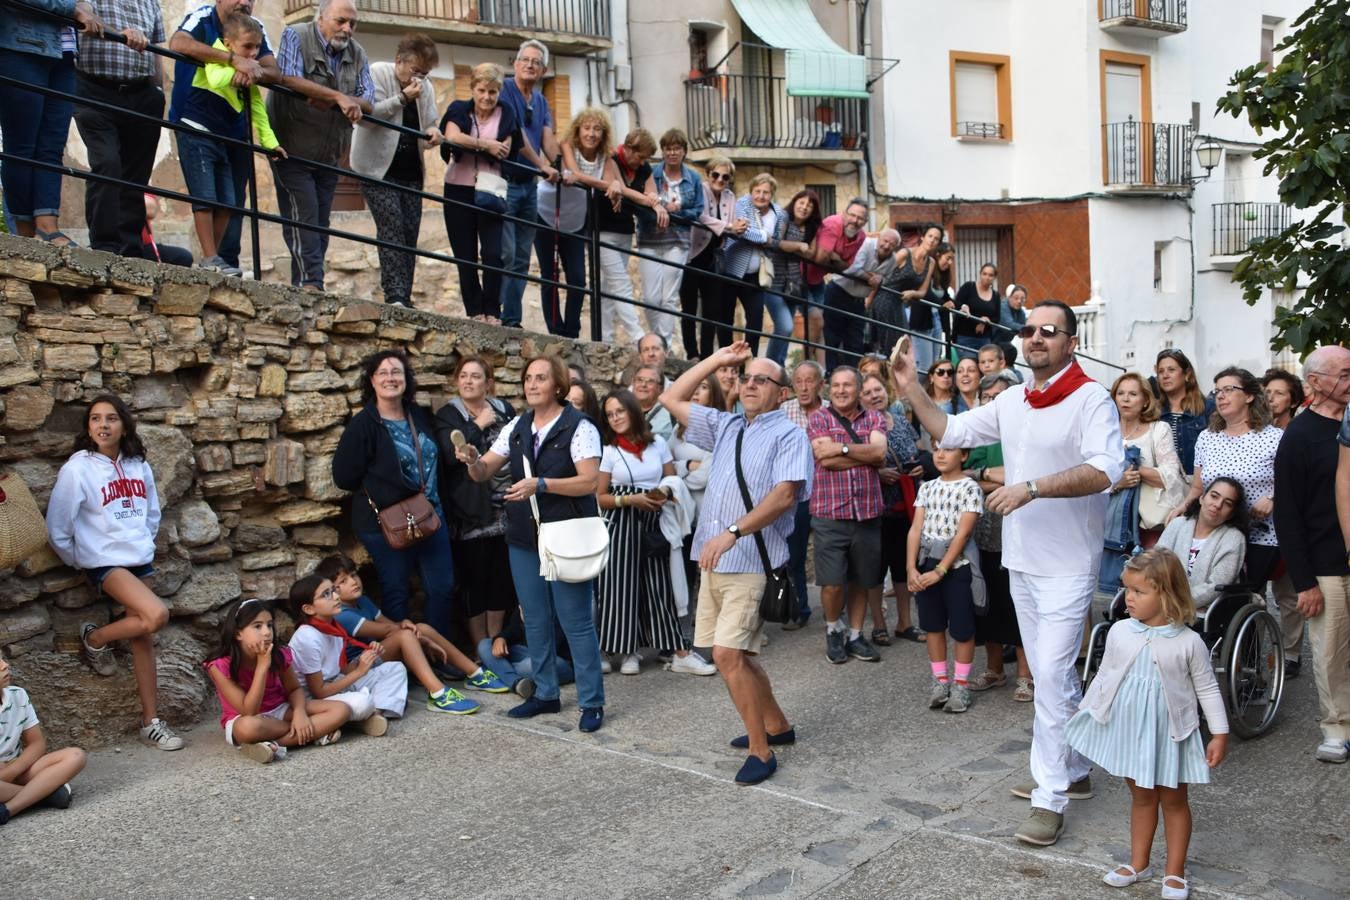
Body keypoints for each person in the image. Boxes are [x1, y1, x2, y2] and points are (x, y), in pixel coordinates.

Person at [890, 300, 1125, 846]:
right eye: (1028, 330)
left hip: (1068, 563)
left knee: (1051, 674)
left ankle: (1050, 798)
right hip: (1022, 558)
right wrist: (910, 387)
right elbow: (948, 429)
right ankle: (1073, 769)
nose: (1037, 337)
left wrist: (1033, 486)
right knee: (1049, 675)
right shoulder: (1014, 398)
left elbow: (1107, 469)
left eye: (1050, 330)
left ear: (1070, 342)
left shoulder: (1091, 398)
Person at [659, 341, 813, 785]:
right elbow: (672, 398)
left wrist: (733, 532)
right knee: (740, 654)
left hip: (750, 560)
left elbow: (784, 496)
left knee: (726, 655)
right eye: (746, 377)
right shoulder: (725, 425)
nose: (749, 384)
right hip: (713, 561)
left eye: (761, 379)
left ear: (782, 393)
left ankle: (761, 752)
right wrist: (718, 361)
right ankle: (778, 727)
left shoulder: (789, 434)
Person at [454, 355, 608, 732]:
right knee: (534, 618)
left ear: (557, 385)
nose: (532, 384)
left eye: (541, 378)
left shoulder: (580, 426)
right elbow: (484, 471)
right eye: (527, 378)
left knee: (575, 622)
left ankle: (591, 702)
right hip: (525, 537)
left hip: (567, 533)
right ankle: (545, 694)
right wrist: (471, 460)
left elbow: (590, 482)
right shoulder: (518, 427)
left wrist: (541, 484)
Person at [1066, 549, 1228, 900]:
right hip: (1131, 732)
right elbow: (1104, 678)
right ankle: (1139, 863)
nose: (1128, 598)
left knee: (1173, 800)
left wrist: (1219, 733)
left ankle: (1175, 871)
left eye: (1139, 591)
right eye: (1127, 589)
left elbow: (1208, 689)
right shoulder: (1120, 632)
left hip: (1171, 734)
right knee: (1141, 796)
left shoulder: (1189, 642)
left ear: (1166, 594)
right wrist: (1086, 714)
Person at [47, 394, 183, 752]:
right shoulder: (78, 469)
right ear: (88, 427)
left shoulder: (139, 463)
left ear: (124, 425)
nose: (103, 425)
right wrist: (79, 560)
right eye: (95, 419)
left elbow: (152, 511)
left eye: (110, 418)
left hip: (139, 557)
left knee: (143, 638)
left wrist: (144, 542)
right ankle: (96, 639)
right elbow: (58, 525)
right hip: (105, 562)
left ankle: (151, 722)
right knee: (156, 615)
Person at [332, 351, 456, 637]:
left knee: (442, 587)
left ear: (406, 379)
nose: (391, 378)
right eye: (383, 373)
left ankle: (439, 653)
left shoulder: (419, 415)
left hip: (430, 515)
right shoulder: (364, 424)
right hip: (385, 523)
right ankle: (405, 662)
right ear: (372, 381)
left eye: (397, 372)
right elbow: (343, 477)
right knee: (396, 590)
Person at [594, 390, 715, 677]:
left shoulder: (657, 443)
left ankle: (679, 651)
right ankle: (627, 651)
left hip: (654, 523)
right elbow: (599, 496)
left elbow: (671, 480)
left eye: (620, 411)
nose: (615, 418)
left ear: (633, 411)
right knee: (620, 589)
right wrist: (629, 500)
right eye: (610, 414)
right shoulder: (609, 451)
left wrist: (664, 494)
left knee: (660, 587)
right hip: (620, 524)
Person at [1273, 346, 1350, 763]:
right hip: (1325, 565)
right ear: (1316, 382)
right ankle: (1336, 728)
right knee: (1332, 651)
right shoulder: (1299, 436)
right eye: (1344, 373)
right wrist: (1303, 582)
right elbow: (1288, 514)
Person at [168, 0, 281, 274]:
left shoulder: (255, 28)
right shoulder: (202, 17)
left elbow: (273, 72)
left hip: (233, 130)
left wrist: (252, 71)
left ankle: (219, 260)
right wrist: (234, 62)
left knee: (231, 201)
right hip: (196, 121)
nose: (244, 2)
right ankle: (210, 259)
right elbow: (178, 44)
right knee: (205, 196)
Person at [269, 0, 372, 290]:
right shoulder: (296, 34)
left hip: (328, 152)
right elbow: (287, 77)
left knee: (319, 222)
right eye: (341, 21)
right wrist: (338, 97)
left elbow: (369, 99)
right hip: (290, 145)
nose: (347, 29)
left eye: (352, 23)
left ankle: (306, 283)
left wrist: (346, 100)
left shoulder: (358, 53)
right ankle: (311, 284)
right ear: (321, 17)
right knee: (304, 215)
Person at [314, 555, 507, 699]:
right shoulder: (343, 614)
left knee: (420, 627)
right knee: (407, 636)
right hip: (356, 665)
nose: (353, 582)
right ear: (333, 591)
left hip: (375, 653)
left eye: (354, 575)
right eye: (343, 582)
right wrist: (419, 638)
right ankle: (438, 693)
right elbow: (388, 632)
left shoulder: (363, 601)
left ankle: (476, 673)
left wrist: (405, 625)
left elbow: (390, 625)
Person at [1169, 367, 1282, 594]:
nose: (1220, 396)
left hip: (1260, 533)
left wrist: (1273, 497)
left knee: (1247, 597)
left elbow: (1294, 483)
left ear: (1249, 395)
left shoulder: (1274, 438)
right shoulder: (1207, 438)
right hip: (1216, 532)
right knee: (1215, 595)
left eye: (1229, 389)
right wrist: (1181, 507)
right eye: (1217, 390)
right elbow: (1198, 488)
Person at [0, 0, 102, 249]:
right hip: (19, 46)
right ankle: (24, 233)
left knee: (52, 146)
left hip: (64, 53)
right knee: (21, 146)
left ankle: (48, 228)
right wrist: (72, 9)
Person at [350, 33, 442, 308]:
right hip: (376, 168)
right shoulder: (377, 73)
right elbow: (367, 118)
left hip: (411, 170)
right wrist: (401, 98)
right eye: (415, 71)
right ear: (398, 61)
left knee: (410, 231)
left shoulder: (426, 87)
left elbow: (430, 121)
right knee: (391, 225)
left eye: (424, 74)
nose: (419, 79)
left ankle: (406, 294)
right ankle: (395, 295)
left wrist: (434, 133)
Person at [204, 598, 352, 764]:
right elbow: (249, 711)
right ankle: (313, 733)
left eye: (269, 625)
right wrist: (262, 667)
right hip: (248, 718)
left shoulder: (279, 654)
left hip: (280, 710)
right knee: (248, 728)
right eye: (257, 626)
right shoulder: (219, 666)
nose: (267, 632)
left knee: (341, 710)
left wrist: (299, 714)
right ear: (238, 633)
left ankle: (273, 745)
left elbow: (294, 689)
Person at [434, 356, 517, 645]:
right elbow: (448, 454)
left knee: (502, 578)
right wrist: (478, 424)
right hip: (472, 511)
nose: (469, 381)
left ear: (488, 382)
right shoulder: (448, 414)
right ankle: (479, 646)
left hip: (507, 507)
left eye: (476, 376)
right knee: (475, 580)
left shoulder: (504, 409)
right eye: (464, 376)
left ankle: (497, 640)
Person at [287, 574, 453, 718]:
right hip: (313, 698)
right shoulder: (308, 637)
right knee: (361, 701)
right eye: (326, 594)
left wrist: (367, 657)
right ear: (308, 609)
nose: (336, 597)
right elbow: (319, 692)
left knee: (395, 668)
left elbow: (342, 671)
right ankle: (362, 714)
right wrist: (359, 672)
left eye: (333, 590)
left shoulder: (333, 627)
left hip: (336, 684)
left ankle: (375, 714)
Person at [808, 367, 888, 664]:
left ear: (858, 389)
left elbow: (879, 454)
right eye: (837, 385)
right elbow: (823, 459)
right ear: (829, 388)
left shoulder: (875, 417)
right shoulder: (819, 418)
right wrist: (862, 455)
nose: (841, 390)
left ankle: (855, 634)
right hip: (830, 513)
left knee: (862, 580)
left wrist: (841, 448)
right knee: (831, 582)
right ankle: (832, 628)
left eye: (848, 385)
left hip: (867, 513)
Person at [73, 0, 164, 258]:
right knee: (107, 163)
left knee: (136, 177)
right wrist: (122, 33)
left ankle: (131, 249)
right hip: (95, 89)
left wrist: (159, 91)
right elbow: (83, 17)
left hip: (142, 93)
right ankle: (104, 247)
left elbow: (157, 50)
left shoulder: (151, 3)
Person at [966, 370, 1033, 699]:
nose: (991, 403)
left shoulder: (1025, 429)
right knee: (988, 601)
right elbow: (966, 475)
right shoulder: (977, 434)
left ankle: (1026, 674)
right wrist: (992, 475)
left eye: (997, 397)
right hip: (984, 530)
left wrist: (991, 476)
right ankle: (994, 669)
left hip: (1021, 527)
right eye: (986, 397)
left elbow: (1025, 475)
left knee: (1016, 602)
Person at [439, 62, 518, 323]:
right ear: (473, 88)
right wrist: (486, 145)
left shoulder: (506, 114)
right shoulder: (458, 109)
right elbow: (452, 136)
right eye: (481, 90)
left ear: (499, 93)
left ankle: (493, 310)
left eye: (492, 92)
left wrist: (477, 144)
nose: (486, 97)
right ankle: (475, 311)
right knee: (466, 255)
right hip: (458, 188)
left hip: (490, 189)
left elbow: (504, 149)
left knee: (494, 254)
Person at [907, 444, 983, 713]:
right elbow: (916, 528)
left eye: (949, 450)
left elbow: (963, 534)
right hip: (926, 564)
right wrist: (911, 569)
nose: (940, 455)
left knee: (962, 628)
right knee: (933, 625)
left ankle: (960, 685)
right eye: (937, 449)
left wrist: (941, 571)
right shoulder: (926, 487)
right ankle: (940, 682)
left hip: (957, 566)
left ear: (963, 455)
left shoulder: (970, 488)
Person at [497, 39, 563, 328]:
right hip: (505, 179)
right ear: (515, 63)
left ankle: (512, 319)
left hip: (529, 186)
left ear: (543, 69)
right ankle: (495, 313)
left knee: (523, 256)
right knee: (506, 252)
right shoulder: (504, 90)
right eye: (525, 59)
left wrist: (562, 166)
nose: (530, 65)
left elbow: (547, 138)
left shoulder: (541, 100)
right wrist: (543, 165)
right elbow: (518, 134)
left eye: (536, 62)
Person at [540, 106, 616, 338]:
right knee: (549, 274)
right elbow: (575, 173)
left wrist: (614, 185)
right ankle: (555, 329)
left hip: (574, 221)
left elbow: (614, 183)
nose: (591, 134)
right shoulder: (566, 146)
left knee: (577, 279)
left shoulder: (605, 158)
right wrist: (608, 185)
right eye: (587, 128)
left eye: (597, 129)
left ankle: (571, 331)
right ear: (578, 129)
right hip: (545, 212)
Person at [863, 372, 923, 646]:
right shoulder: (860, 425)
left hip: (903, 506)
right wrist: (878, 474)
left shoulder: (900, 421)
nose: (875, 395)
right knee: (875, 570)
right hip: (874, 509)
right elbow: (856, 464)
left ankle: (905, 623)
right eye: (868, 392)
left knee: (902, 567)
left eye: (878, 389)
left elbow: (918, 449)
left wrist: (920, 466)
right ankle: (878, 625)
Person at [0, 651, 88, 826]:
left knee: (76, 756)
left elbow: (36, 743)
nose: (4, 665)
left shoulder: (18, 695)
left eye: (2, 659)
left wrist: (11, 772)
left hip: (17, 769)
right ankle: (45, 795)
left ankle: (9, 809)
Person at [634, 129, 703, 346]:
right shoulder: (650, 174)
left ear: (684, 151)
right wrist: (661, 209)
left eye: (677, 149)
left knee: (669, 297)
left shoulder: (693, 178)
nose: (672, 153)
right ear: (662, 151)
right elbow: (640, 207)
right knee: (651, 298)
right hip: (650, 239)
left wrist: (676, 211)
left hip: (678, 241)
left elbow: (698, 210)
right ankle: (656, 341)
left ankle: (663, 345)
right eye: (668, 149)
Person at [595, 129, 662, 342]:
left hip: (625, 230)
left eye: (646, 158)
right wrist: (647, 199)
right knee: (620, 283)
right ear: (629, 149)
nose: (642, 162)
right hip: (602, 228)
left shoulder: (644, 168)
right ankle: (639, 337)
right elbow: (622, 190)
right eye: (640, 156)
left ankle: (605, 339)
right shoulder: (611, 158)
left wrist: (656, 203)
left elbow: (652, 194)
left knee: (609, 287)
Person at [1264, 366, 1308, 674]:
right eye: (1267, 392)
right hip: (1255, 523)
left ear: (1293, 400)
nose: (1271, 398)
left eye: (1279, 393)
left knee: (1288, 594)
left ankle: (1291, 654)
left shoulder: (1299, 432)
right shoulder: (1255, 431)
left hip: (1290, 522)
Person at [720, 174, 792, 364]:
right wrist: (763, 236)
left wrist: (767, 239)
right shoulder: (743, 203)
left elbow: (776, 241)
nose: (761, 196)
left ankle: (749, 363)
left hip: (756, 275)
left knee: (755, 323)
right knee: (725, 318)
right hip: (733, 269)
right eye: (757, 191)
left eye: (766, 192)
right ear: (751, 191)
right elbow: (743, 231)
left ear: (772, 194)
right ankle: (725, 363)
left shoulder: (779, 213)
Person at [1111, 372, 1186, 547]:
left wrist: (1135, 469)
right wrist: (1118, 482)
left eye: (1133, 394)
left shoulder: (1159, 429)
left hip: (1147, 522)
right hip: (1109, 519)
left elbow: (1170, 477)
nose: (1125, 399)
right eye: (1120, 393)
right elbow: (1091, 477)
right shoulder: (1105, 432)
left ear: (1145, 401)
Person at [1157, 477, 1248, 610]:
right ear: (1202, 498)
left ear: (1231, 514)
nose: (1218, 505)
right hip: (1159, 602)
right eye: (1214, 496)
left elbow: (1216, 586)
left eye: (1227, 503)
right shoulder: (1177, 524)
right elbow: (1155, 564)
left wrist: (1177, 604)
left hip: (1200, 611)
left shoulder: (1234, 538)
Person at [781, 360, 825, 628]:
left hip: (828, 492)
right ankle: (799, 609)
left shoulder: (832, 411)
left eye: (810, 380)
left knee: (833, 553)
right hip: (797, 494)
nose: (804, 386)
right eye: (799, 381)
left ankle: (837, 609)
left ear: (821, 384)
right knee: (793, 554)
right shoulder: (783, 411)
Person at [683, 156, 741, 359]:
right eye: (715, 175)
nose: (719, 179)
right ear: (708, 174)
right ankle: (692, 353)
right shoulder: (700, 189)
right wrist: (728, 227)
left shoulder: (730, 197)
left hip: (715, 257)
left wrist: (737, 226)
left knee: (711, 311)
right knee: (689, 308)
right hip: (692, 255)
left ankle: (707, 354)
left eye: (725, 177)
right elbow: (699, 215)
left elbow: (733, 222)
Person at [823, 229, 901, 372]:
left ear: (896, 246)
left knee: (855, 341)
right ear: (879, 238)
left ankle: (854, 375)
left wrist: (880, 280)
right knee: (832, 336)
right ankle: (830, 373)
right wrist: (871, 278)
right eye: (885, 241)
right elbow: (853, 268)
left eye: (892, 243)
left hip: (858, 300)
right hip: (838, 291)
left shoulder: (893, 260)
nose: (886, 245)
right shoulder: (866, 244)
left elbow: (886, 279)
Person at [769, 190, 824, 359]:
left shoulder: (811, 227)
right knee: (785, 327)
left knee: (787, 329)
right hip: (773, 282)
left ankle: (780, 368)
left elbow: (812, 253)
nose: (804, 207)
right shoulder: (784, 216)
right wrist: (799, 246)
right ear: (795, 202)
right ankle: (769, 367)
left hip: (794, 284)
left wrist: (794, 248)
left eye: (809, 205)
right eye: (801, 202)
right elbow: (775, 242)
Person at [478, 607, 574, 700]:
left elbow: (551, 645)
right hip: (525, 651)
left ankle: (498, 671)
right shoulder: (530, 596)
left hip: (559, 659)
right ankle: (516, 682)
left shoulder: (560, 601)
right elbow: (514, 629)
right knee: (485, 645)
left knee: (527, 666)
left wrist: (534, 622)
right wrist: (501, 638)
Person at [880, 224, 941, 370]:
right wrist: (867, 300)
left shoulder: (931, 262)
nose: (932, 240)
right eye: (930, 236)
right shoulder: (905, 253)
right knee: (888, 343)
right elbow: (880, 273)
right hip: (883, 297)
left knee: (902, 345)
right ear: (923, 237)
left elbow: (923, 291)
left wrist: (913, 293)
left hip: (899, 302)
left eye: (936, 239)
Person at [1154, 349, 1214, 479]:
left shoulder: (1207, 407)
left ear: (1187, 374)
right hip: (1166, 487)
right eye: (1161, 371)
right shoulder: (1153, 412)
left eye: (1171, 370)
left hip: (1198, 485)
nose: (1165, 375)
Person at [921, 242, 957, 375]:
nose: (950, 262)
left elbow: (945, 295)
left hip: (936, 317)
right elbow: (926, 292)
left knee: (935, 358)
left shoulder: (943, 276)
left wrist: (955, 304)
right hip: (924, 318)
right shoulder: (928, 269)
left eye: (952, 259)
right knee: (925, 362)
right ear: (938, 255)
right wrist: (943, 304)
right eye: (948, 258)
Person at [952, 263, 1001, 359]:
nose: (987, 277)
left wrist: (986, 320)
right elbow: (956, 303)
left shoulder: (995, 295)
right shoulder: (968, 287)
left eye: (990, 275)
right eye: (984, 274)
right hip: (964, 336)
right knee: (970, 364)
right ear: (980, 274)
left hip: (984, 339)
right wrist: (964, 306)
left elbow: (997, 318)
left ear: (994, 278)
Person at [141, 194, 193, 267]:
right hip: (124, 244)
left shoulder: (139, 185)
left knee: (184, 257)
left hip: (145, 246)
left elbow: (150, 209)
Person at [631, 364, 675, 441]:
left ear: (660, 389)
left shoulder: (671, 414)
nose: (643, 384)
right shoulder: (623, 410)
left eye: (650, 381)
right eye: (639, 380)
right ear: (633, 383)